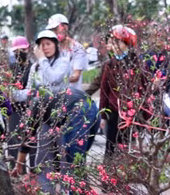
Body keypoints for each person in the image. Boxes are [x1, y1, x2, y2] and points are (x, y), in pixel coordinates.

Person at [11, 30, 76, 174]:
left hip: (60, 114)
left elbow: (54, 79)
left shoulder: (63, 63)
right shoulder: (35, 67)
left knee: (62, 152)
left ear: (55, 45)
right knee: (43, 154)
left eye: (48, 44)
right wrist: (12, 92)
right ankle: (44, 187)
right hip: (42, 114)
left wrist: (42, 60)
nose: (45, 48)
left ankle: (66, 188)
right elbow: (29, 91)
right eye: (42, 45)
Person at [89, 24, 147, 157]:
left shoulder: (137, 64)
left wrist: (145, 116)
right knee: (111, 147)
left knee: (129, 149)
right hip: (113, 113)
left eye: (114, 42)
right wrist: (103, 115)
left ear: (125, 43)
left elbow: (144, 90)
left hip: (133, 114)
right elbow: (104, 90)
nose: (110, 45)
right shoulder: (109, 65)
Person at [48, 13, 88, 91]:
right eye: (52, 30)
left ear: (65, 28)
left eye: (56, 29)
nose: (54, 33)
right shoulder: (52, 49)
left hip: (72, 94)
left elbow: (76, 76)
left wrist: (57, 80)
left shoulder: (77, 49)